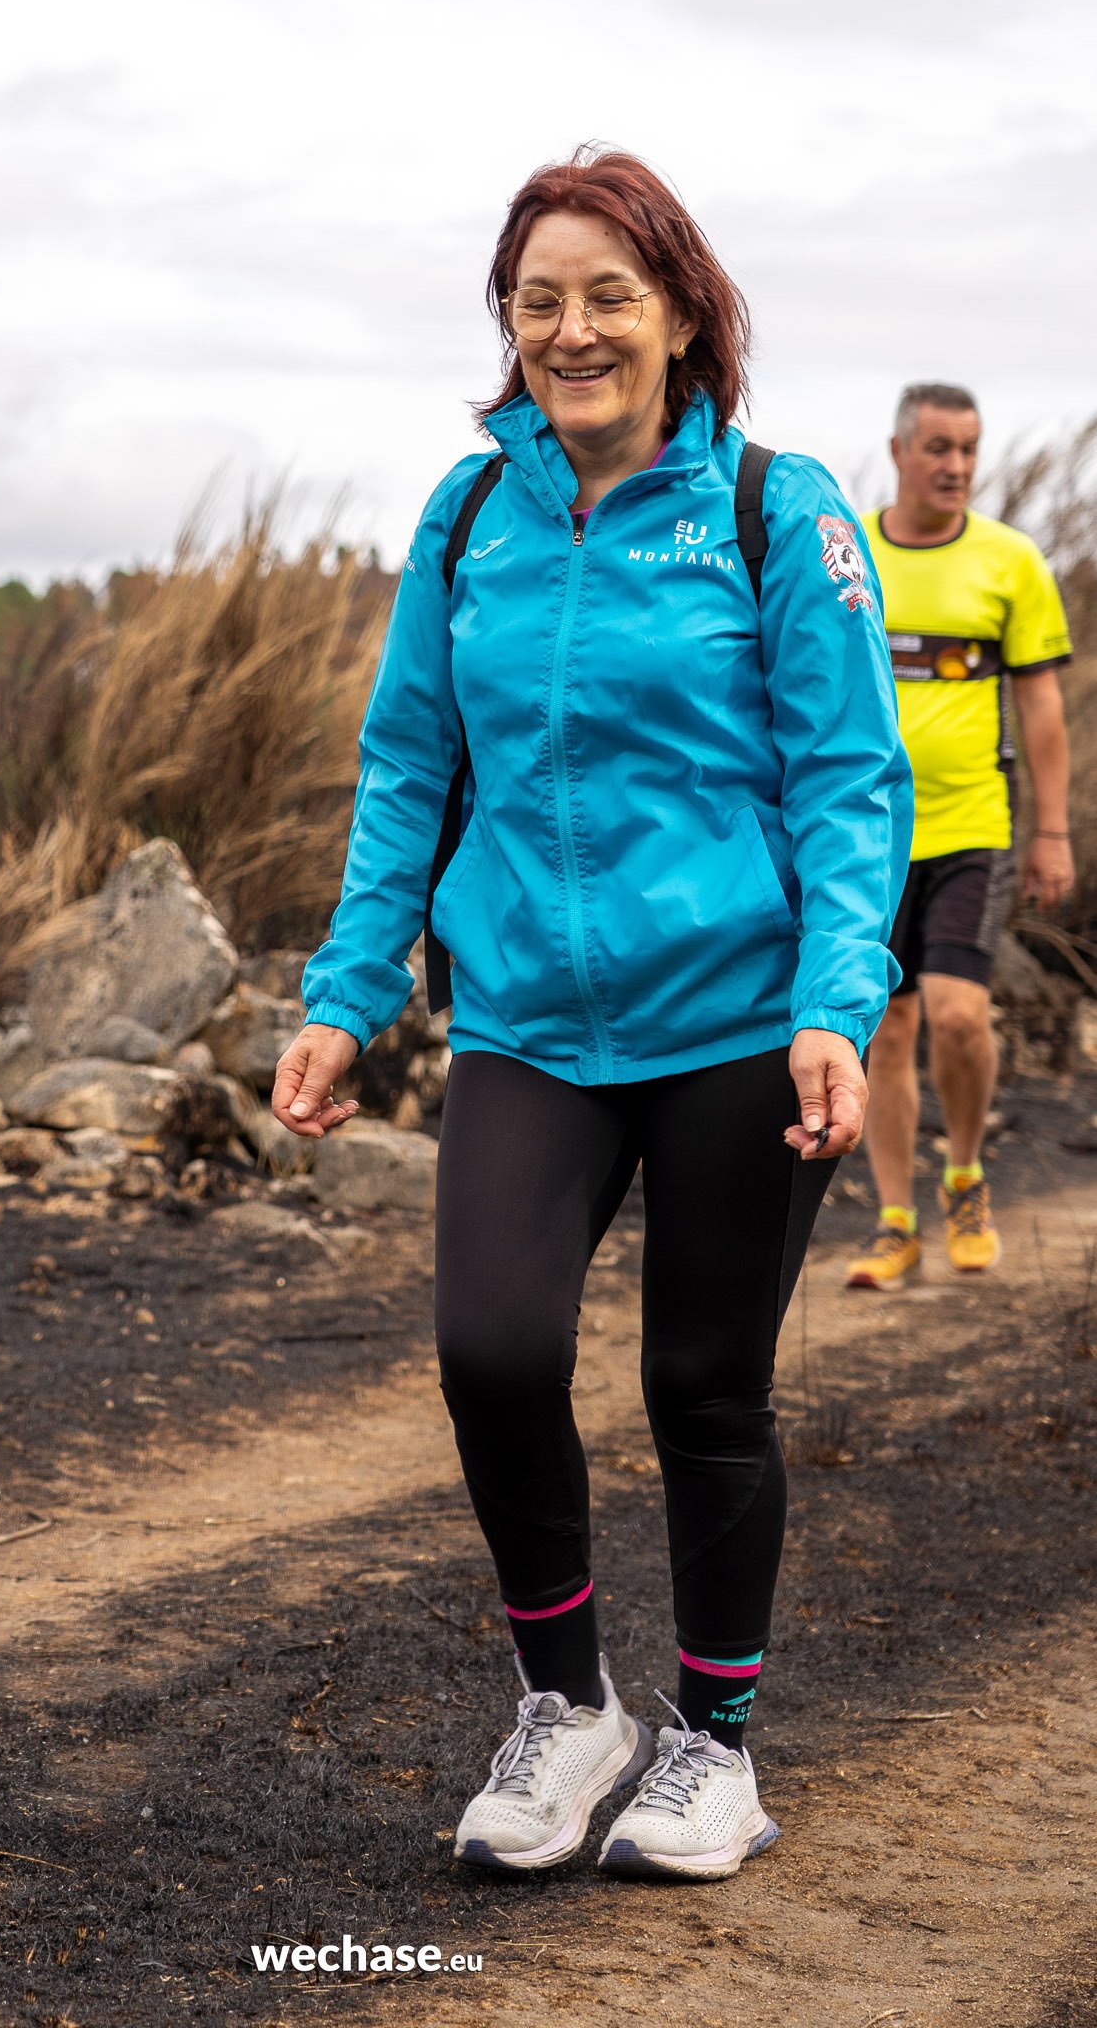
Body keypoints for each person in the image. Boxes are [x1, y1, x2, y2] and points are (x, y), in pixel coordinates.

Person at [272, 148, 912, 1883]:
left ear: (683, 313)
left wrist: (831, 1007)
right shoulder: (468, 514)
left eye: (607, 295)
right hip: (530, 1024)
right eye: (537, 298)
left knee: (704, 1382)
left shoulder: (779, 514)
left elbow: (853, 781)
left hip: (735, 1021)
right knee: (492, 1351)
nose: (570, 329)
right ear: (507, 322)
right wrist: (346, 995)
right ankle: (571, 1709)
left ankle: (712, 1742)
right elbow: (410, 762)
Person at [845, 383, 1074, 1290]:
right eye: (937, 447)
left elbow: (1043, 709)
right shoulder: (845, 547)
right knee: (884, 1035)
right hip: (862, 834)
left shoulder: (1012, 561)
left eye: (968, 450)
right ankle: (895, 1222)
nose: (955, 466)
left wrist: (1050, 832)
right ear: (898, 451)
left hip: (974, 825)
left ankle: (966, 1177)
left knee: (955, 1015)